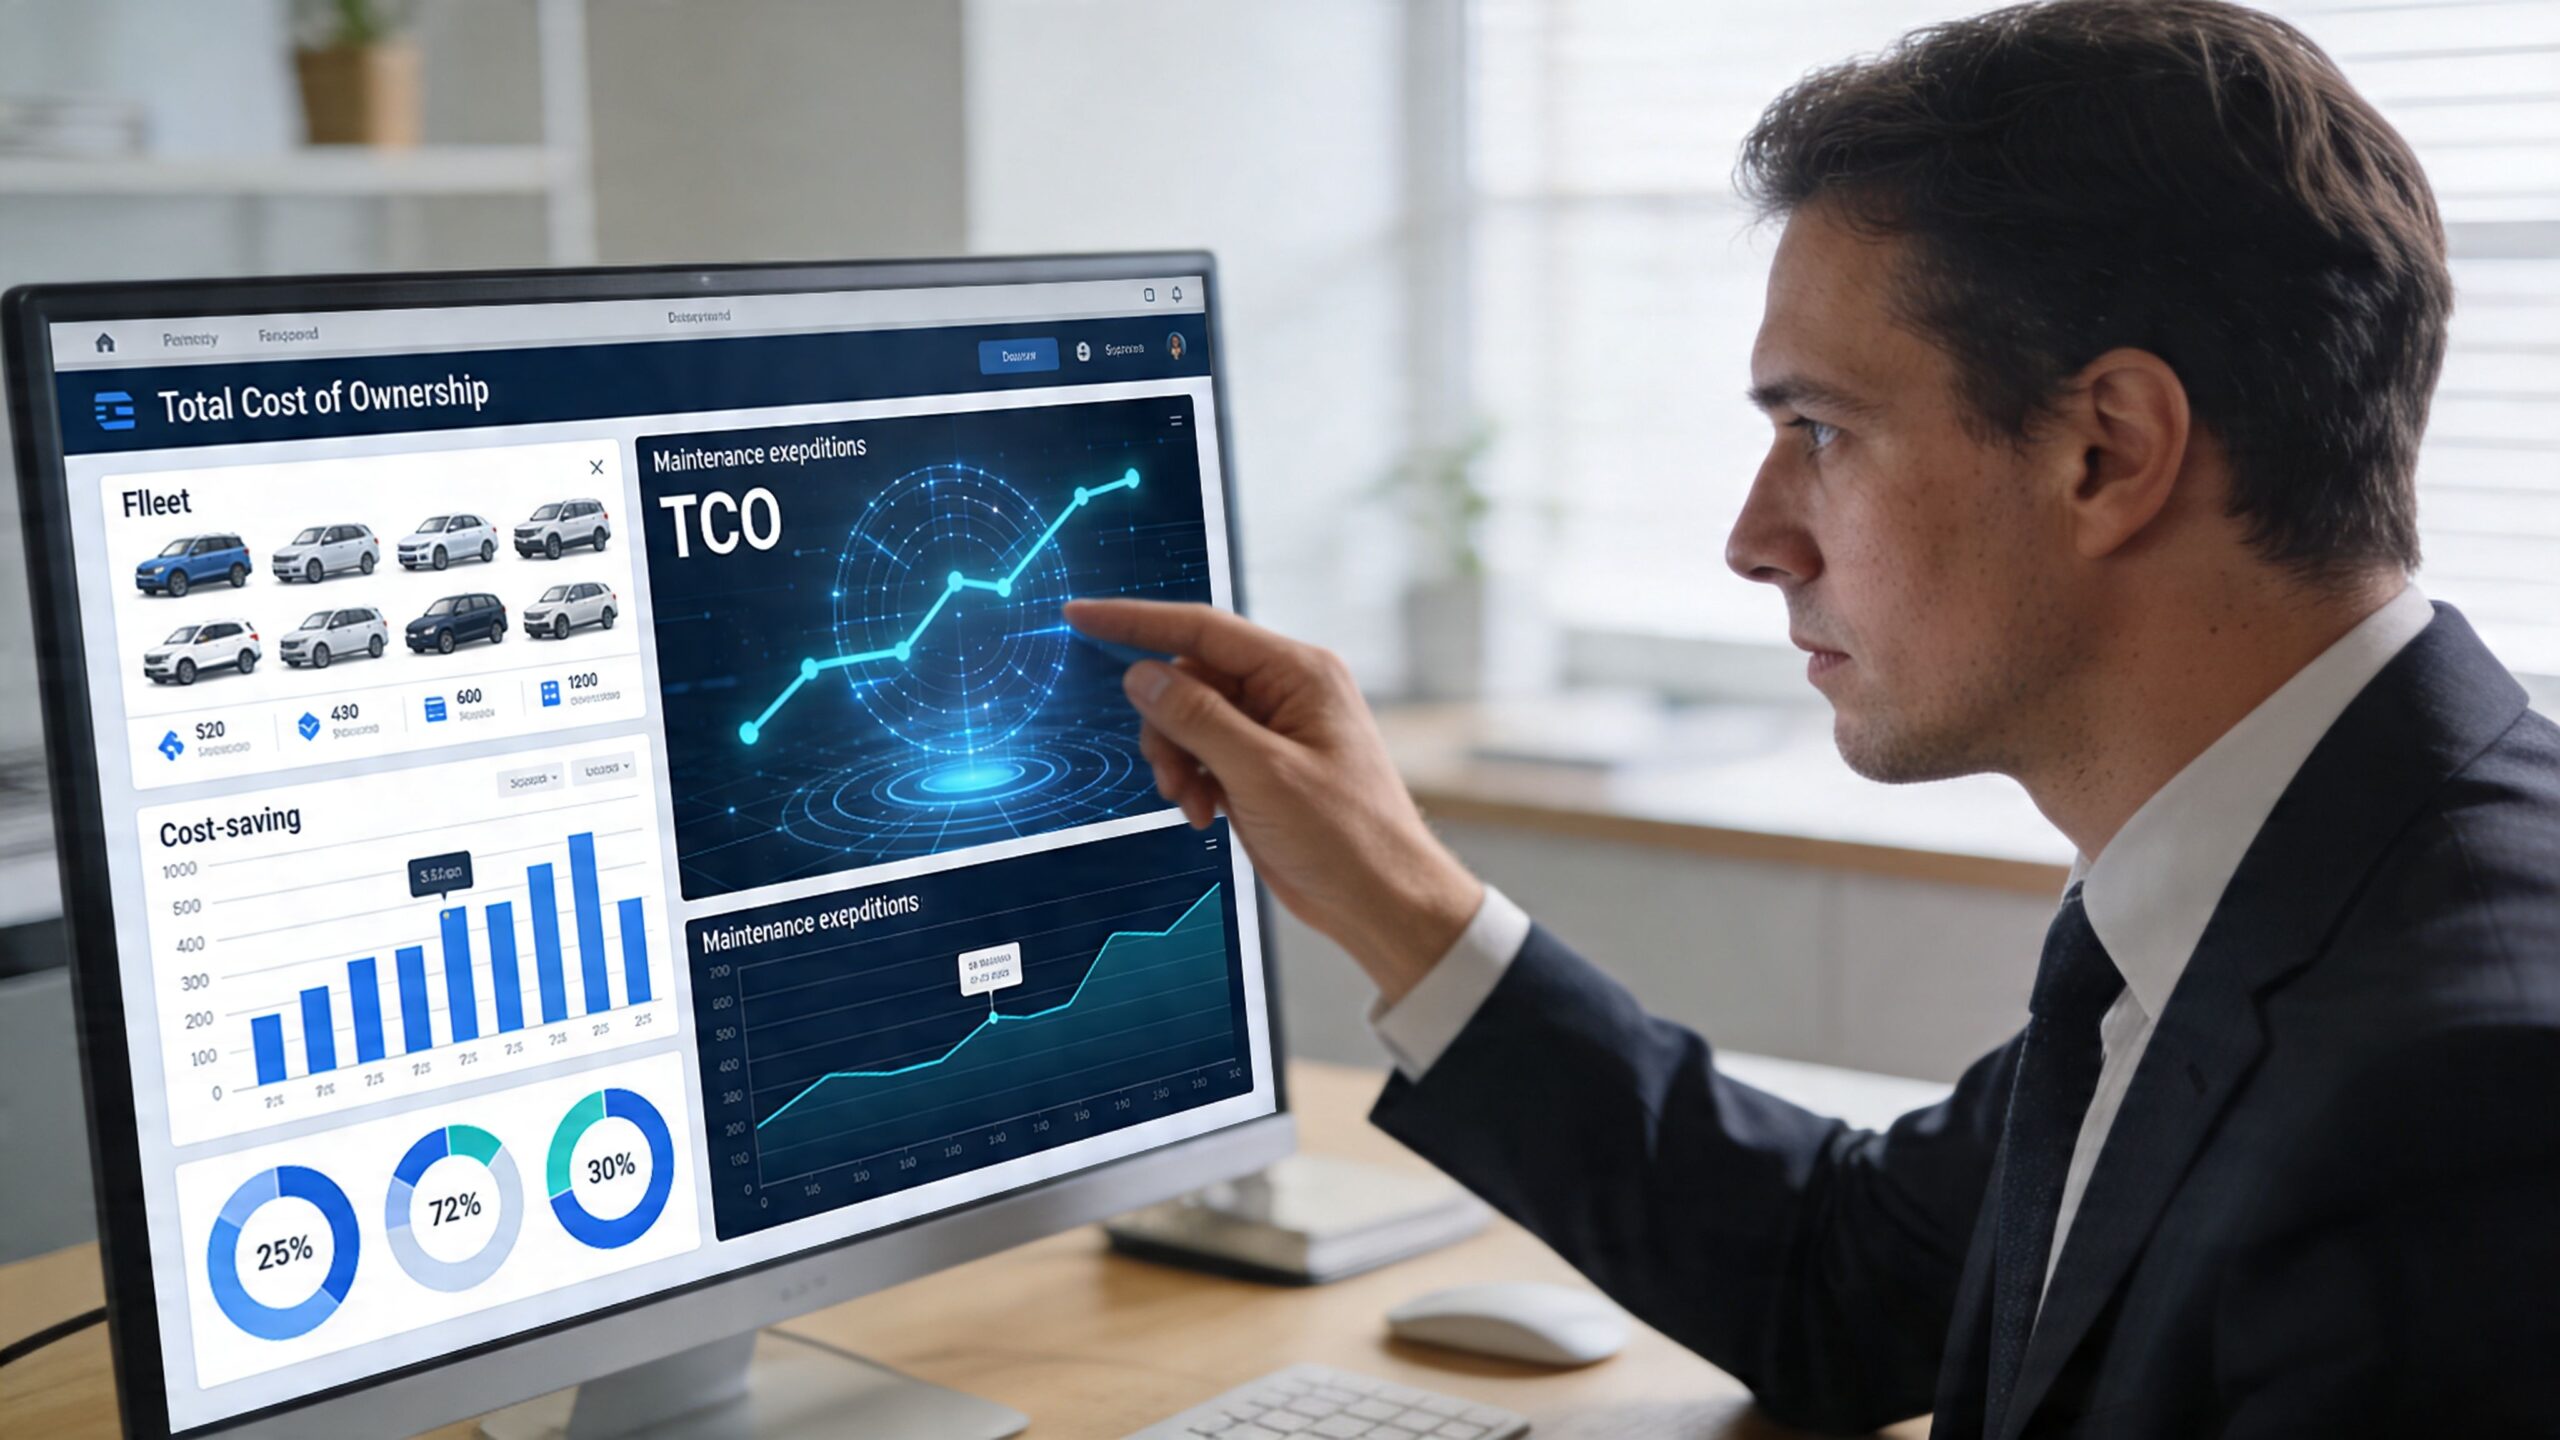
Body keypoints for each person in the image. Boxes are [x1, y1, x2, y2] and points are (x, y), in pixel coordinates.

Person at [1065, 1, 2560, 1435]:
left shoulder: (2461, 1098)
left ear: (2107, 451)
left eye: (1822, 431)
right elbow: (1845, 1286)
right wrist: (1394, 894)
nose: (1756, 535)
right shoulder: (2279, 866)